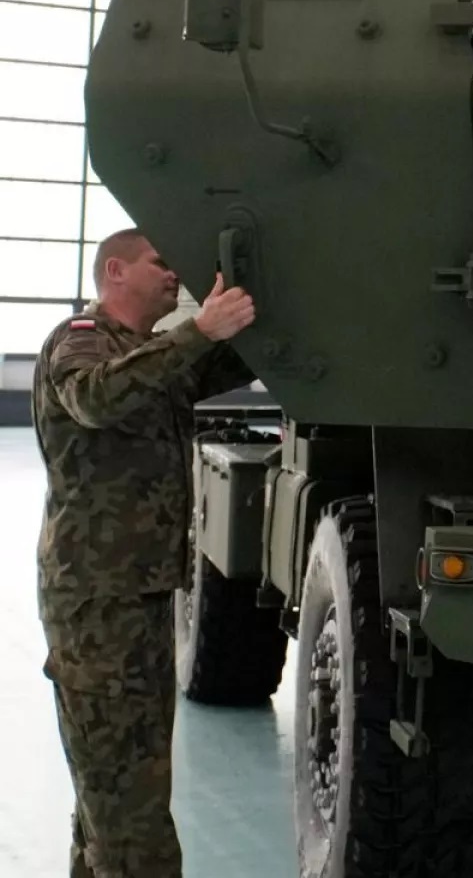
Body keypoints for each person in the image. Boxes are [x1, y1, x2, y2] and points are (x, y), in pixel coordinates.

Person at [32, 228, 258, 878]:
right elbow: (95, 398)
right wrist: (197, 331)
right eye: (159, 263)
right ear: (115, 271)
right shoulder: (81, 338)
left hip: (141, 596)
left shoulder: (152, 354)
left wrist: (247, 317)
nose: (172, 276)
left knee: (117, 791)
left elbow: (228, 361)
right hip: (98, 603)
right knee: (129, 810)